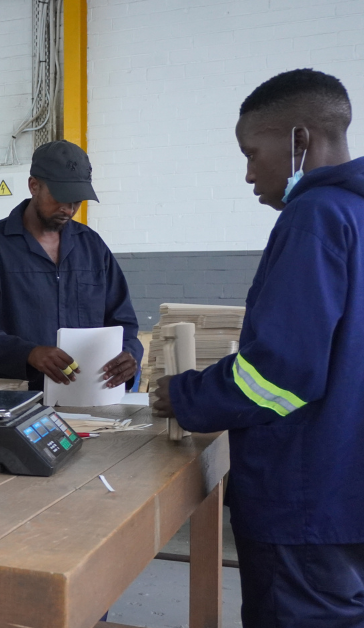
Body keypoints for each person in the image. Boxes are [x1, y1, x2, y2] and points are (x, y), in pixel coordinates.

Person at [153, 69, 364, 627]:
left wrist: (183, 393)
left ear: (299, 140)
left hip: (305, 498)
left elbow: (280, 374)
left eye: (252, 153)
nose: (248, 174)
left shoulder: (314, 218)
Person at [0, 140, 142, 391]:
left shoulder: (92, 246)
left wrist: (129, 354)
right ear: (34, 186)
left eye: (77, 202)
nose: (68, 209)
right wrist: (28, 353)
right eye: (61, 198)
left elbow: (123, 320)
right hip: (17, 397)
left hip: (88, 395)